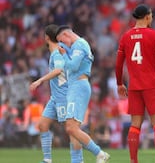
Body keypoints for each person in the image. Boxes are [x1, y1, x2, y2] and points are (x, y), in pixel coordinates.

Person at [115, 4, 155, 163]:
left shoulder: (125, 36)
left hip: (134, 86)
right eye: (151, 15)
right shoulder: (154, 35)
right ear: (146, 17)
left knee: (135, 125)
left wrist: (119, 83)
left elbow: (118, 64)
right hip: (152, 85)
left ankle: (133, 160)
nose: (152, 18)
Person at [55, 25, 110, 163]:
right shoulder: (75, 47)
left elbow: (73, 66)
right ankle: (77, 161)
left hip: (78, 87)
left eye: (61, 40)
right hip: (75, 87)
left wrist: (63, 54)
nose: (62, 44)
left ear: (67, 34)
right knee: (73, 129)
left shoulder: (80, 45)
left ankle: (99, 153)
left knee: (71, 128)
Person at [29, 24, 84, 163]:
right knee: (42, 124)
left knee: (72, 130)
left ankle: (78, 161)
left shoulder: (57, 53)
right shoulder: (61, 49)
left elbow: (58, 70)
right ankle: (47, 160)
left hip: (65, 96)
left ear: (46, 37)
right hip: (55, 97)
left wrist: (39, 81)